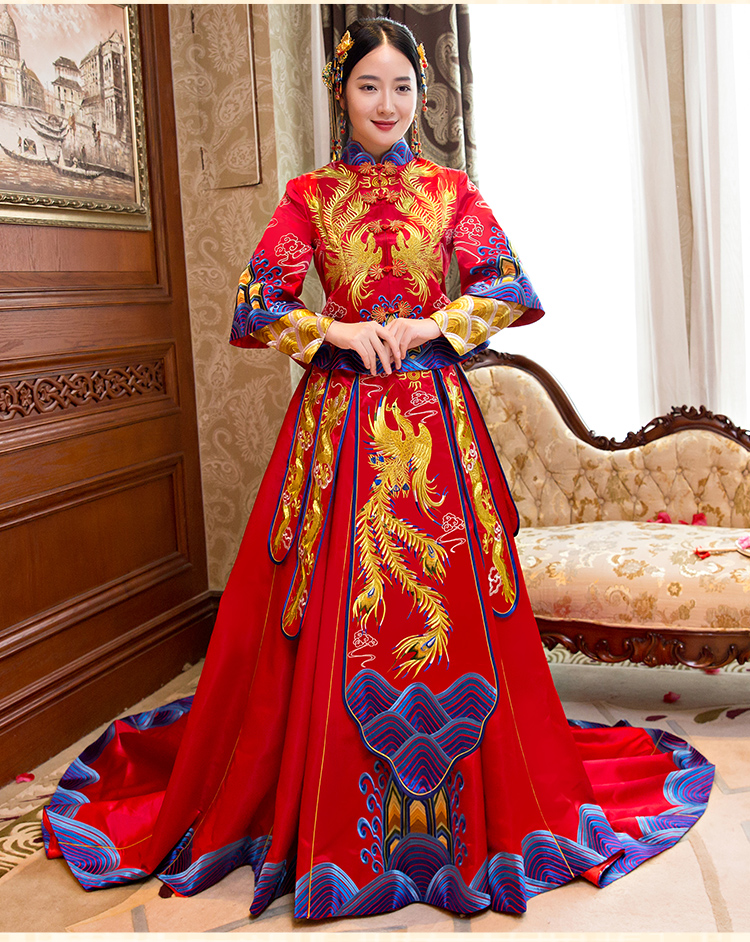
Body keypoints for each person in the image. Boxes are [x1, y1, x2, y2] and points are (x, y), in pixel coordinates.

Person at [43, 18, 713, 920]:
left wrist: (432, 323)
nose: (388, 104)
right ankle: (324, 799)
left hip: (436, 419)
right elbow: (255, 303)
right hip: (339, 425)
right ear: (341, 93)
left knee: (458, 603)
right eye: (369, 86)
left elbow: (510, 287)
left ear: (421, 96)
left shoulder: (452, 190)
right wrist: (337, 329)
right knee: (324, 611)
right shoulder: (310, 196)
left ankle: (472, 803)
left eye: (403, 87)